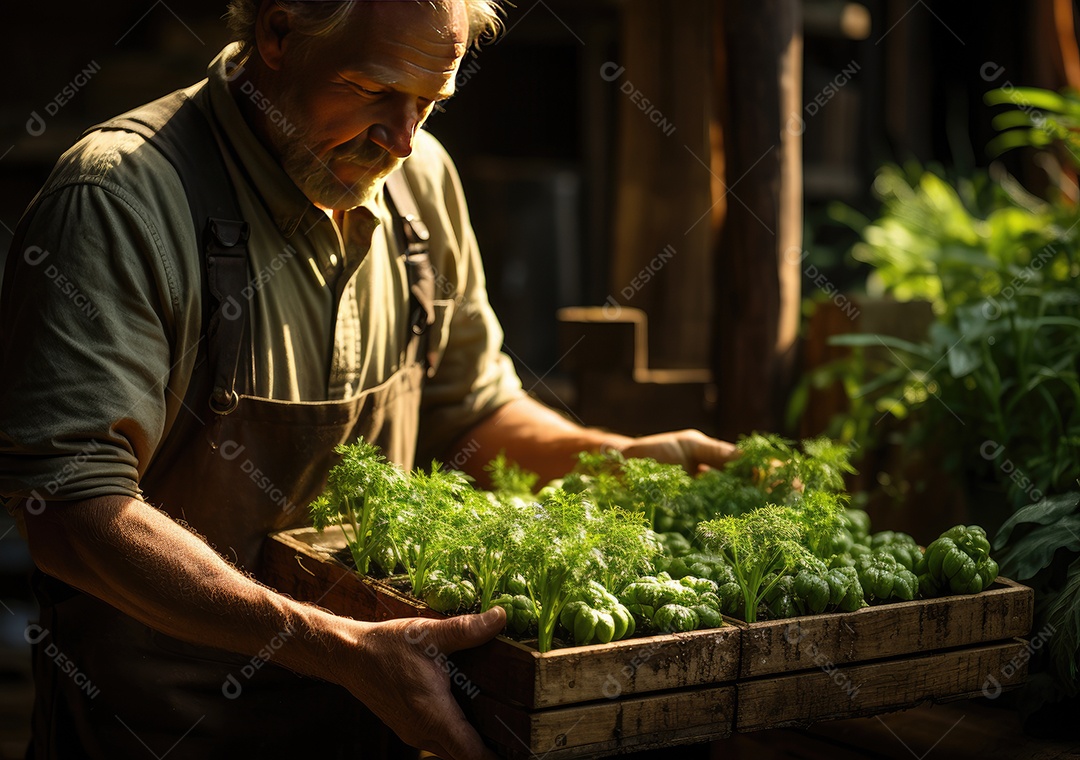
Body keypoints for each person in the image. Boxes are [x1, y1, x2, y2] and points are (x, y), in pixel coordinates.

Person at [0, 1, 736, 758]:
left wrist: (619, 461)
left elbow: (470, 417)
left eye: (429, 103)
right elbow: (70, 510)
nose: (405, 137)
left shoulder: (422, 185)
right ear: (278, 34)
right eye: (375, 89)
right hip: (164, 730)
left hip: (381, 721)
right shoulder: (120, 199)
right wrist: (339, 649)